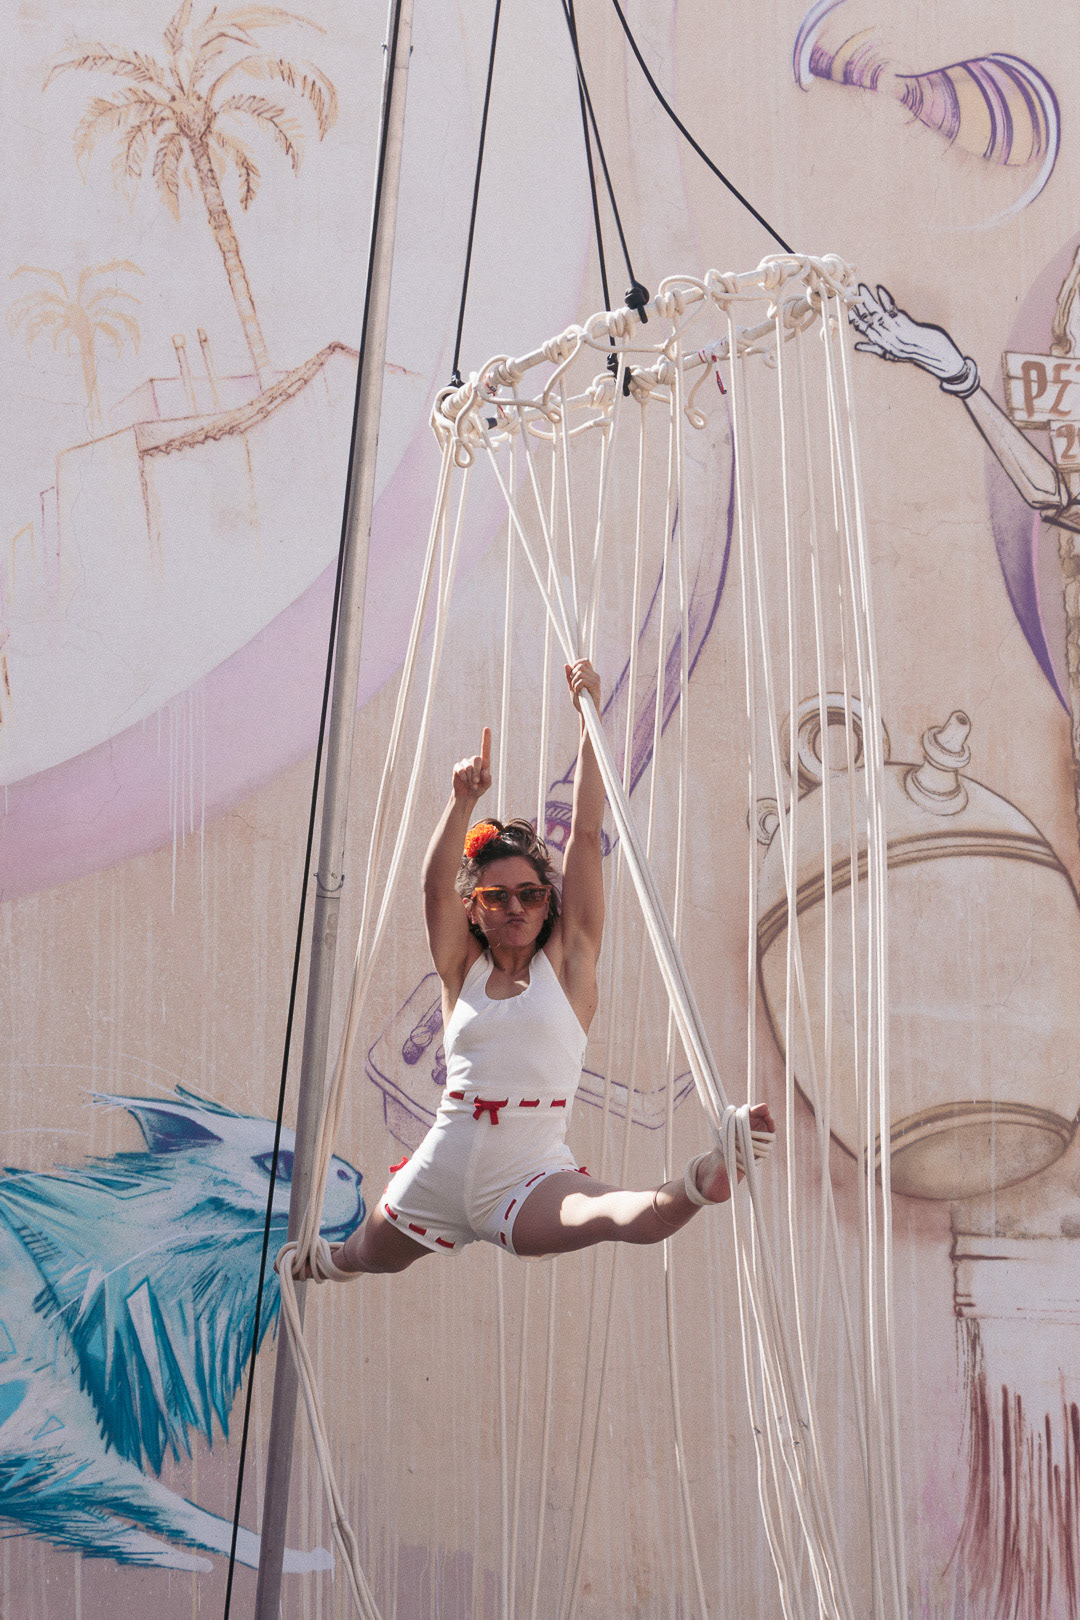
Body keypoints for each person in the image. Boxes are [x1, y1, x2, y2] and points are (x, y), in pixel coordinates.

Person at [327, 658, 775, 1275]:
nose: (516, 907)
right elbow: (434, 890)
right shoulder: (460, 971)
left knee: (614, 1214)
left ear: (548, 903)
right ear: (474, 909)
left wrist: (591, 726)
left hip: (527, 1177)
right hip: (441, 1165)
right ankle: (314, 1264)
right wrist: (461, 802)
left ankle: (703, 1177)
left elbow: (585, 835)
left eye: (531, 894)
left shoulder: (568, 964)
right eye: (496, 897)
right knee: (359, 1255)